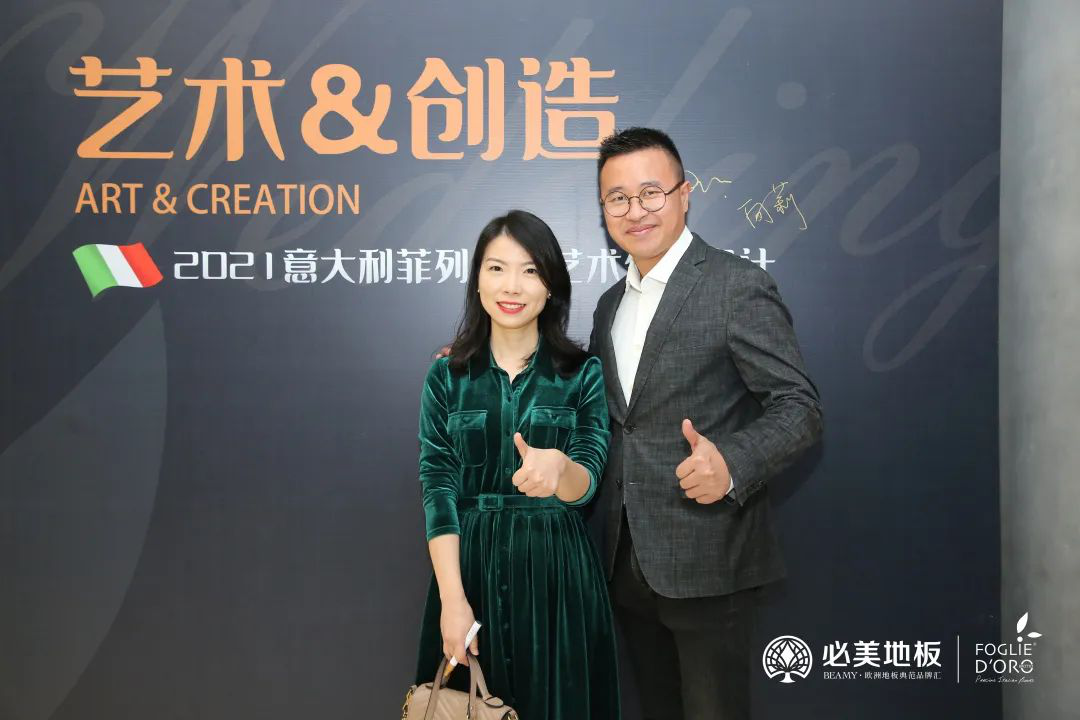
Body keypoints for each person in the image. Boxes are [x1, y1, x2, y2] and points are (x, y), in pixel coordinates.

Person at [588, 127, 823, 720]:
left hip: (710, 559)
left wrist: (732, 463)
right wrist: (482, 354)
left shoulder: (735, 285)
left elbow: (798, 407)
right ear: (604, 210)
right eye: (618, 198)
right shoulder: (610, 304)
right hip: (626, 562)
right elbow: (601, 406)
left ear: (684, 194)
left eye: (651, 192)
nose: (635, 210)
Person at [414, 210, 621, 720]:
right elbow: (438, 488)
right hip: (470, 570)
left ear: (551, 286)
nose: (512, 286)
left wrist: (560, 469)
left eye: (530, 270)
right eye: (496, 268)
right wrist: (453, 600)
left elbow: (587, 481)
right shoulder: (447, 376)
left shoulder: (582, 374)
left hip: (558, 576)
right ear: (477, 281)